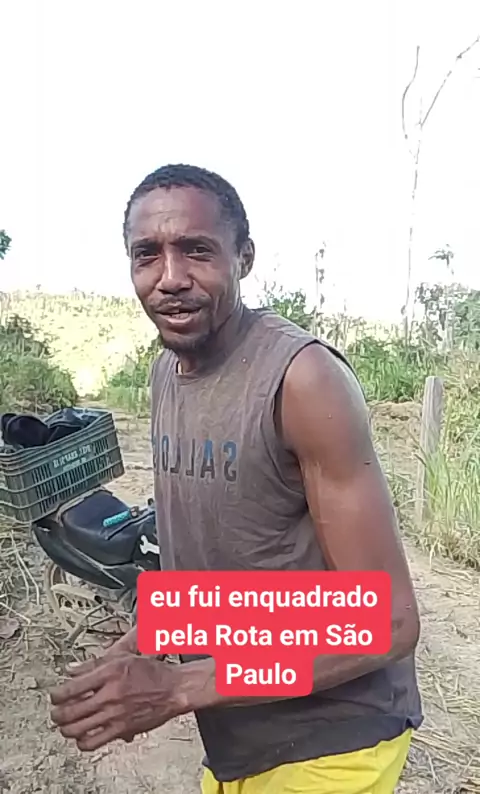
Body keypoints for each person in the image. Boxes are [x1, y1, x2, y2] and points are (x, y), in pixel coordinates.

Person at [50, 164, 422, 793]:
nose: (170, 277)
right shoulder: (166, 374)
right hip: (240, 734)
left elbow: (387, 621)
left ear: (243, 258)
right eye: (147, 255)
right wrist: (154, 633)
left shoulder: (302, 380)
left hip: (334, 741)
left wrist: (179, 686)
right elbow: (247, 567)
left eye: (197, 250)